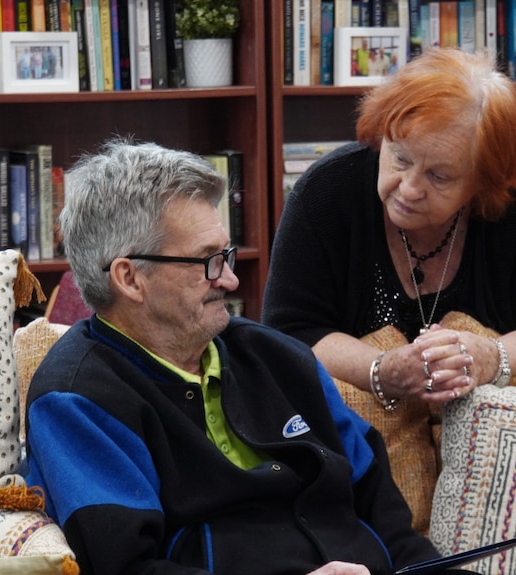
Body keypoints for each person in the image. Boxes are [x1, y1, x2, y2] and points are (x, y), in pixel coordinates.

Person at [23, 138, 441, 575]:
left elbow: (389, 523)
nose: (230, 279)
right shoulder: (76, 400)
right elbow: (125, 568)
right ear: (129, 279)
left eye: (226, 254)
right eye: (207, 261)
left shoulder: (279, 357)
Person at [262, 49, 516, 410]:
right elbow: (287, 333)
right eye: (400, 158)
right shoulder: (327, 192)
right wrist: (380, 371)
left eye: (439, 176)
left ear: (483, 182)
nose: (408, 188)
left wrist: (492, 356)